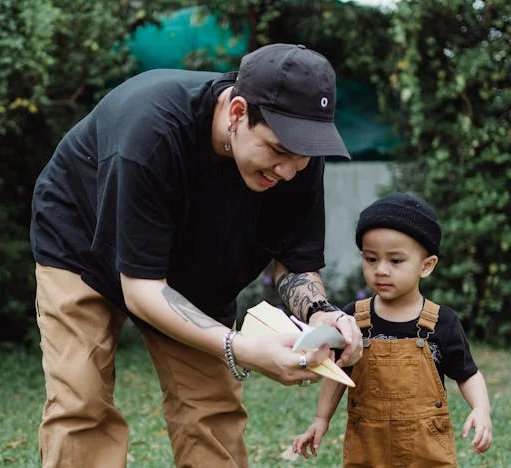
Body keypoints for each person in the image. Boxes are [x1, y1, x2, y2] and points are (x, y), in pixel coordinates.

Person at [30, 43, 365, 467]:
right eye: (278, 151)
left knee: (211, 408)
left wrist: (321, 315)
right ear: (238, 112)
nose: (287, 171)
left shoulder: (297, 156)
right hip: (81, 243)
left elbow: (296, 261)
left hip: (196, 263)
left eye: (301, 157)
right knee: (81, 398)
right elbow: (143, 292)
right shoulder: (151, 133)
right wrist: (240, 347)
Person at [292, 193, 493, 466]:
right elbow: (337, 372)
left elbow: (467, 373)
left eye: (395, 261)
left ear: (426, 266)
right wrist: (320, 419)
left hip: (426, 450)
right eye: (371, 259)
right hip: (367, 448)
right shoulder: (353, 319)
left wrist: (481, 409)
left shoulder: (442, 322)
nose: (381, 270)